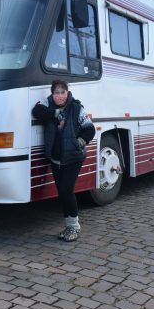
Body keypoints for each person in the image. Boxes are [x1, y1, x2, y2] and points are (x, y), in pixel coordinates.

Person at [32, 80, 95, 242]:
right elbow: (36, 110)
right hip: (56, 158)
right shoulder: (48, 106)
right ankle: (68, 226)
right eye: (56, 92)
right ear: (52, 94)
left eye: (62, 92)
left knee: (67, 190)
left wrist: (78, 142)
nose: (59, 96)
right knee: (62, 192)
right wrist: (54, 114)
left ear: (68, 93)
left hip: (74, 157)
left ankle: (74, 226)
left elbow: (90, 129)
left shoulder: (76, 108)